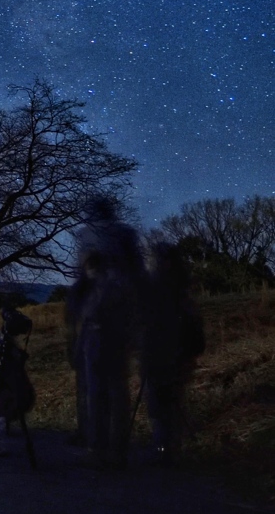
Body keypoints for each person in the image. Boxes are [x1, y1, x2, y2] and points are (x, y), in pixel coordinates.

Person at [68, 198, 144, 468]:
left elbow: (81, 279)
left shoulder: (86, 235)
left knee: (96, 389)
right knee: (117, 388)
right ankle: (118, 448)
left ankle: (97, 446)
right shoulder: (126, 235)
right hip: (119, 323)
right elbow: (139, 276)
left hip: (95, 324)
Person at [142, 241, 205, 465]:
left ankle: (168, 448)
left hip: (173, 353)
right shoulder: (169, 289)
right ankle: (166, 447)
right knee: (163, 402)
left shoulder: (172, 291)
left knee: (168, 402)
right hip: (164, 353)